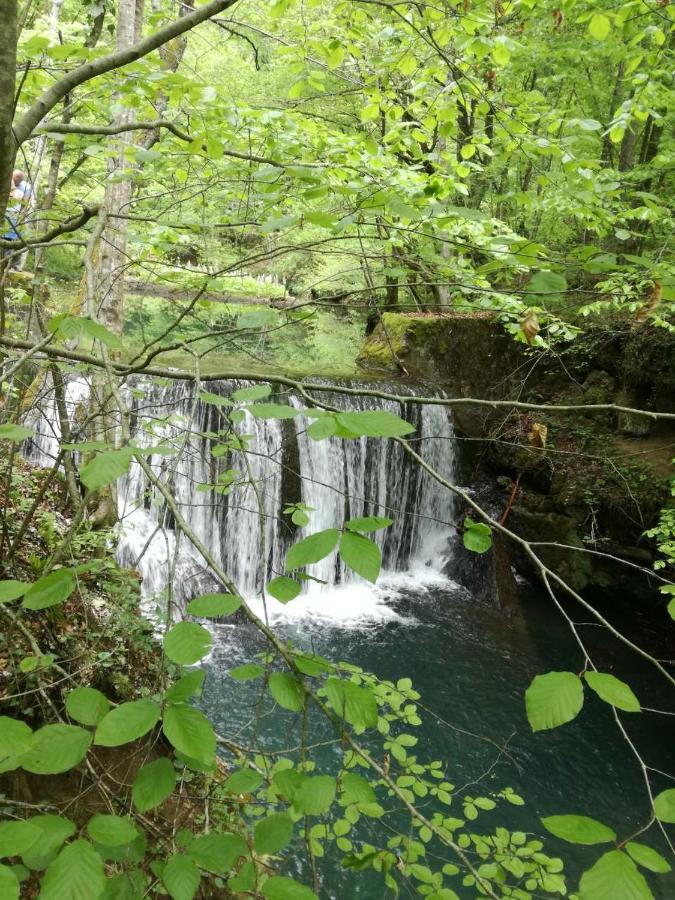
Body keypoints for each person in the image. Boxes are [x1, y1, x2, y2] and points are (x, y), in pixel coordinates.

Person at [3, 169, 33, 270]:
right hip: (4, 213)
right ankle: (4, 262)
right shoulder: (5, 180)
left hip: (16, 215)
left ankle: (13, 264)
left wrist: (22, 215)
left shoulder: (26, 186)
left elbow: (26, 203)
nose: (17, 183)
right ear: (12, 176)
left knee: (16, 239)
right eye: (15, 180)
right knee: (4, 237)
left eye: (19, 181)